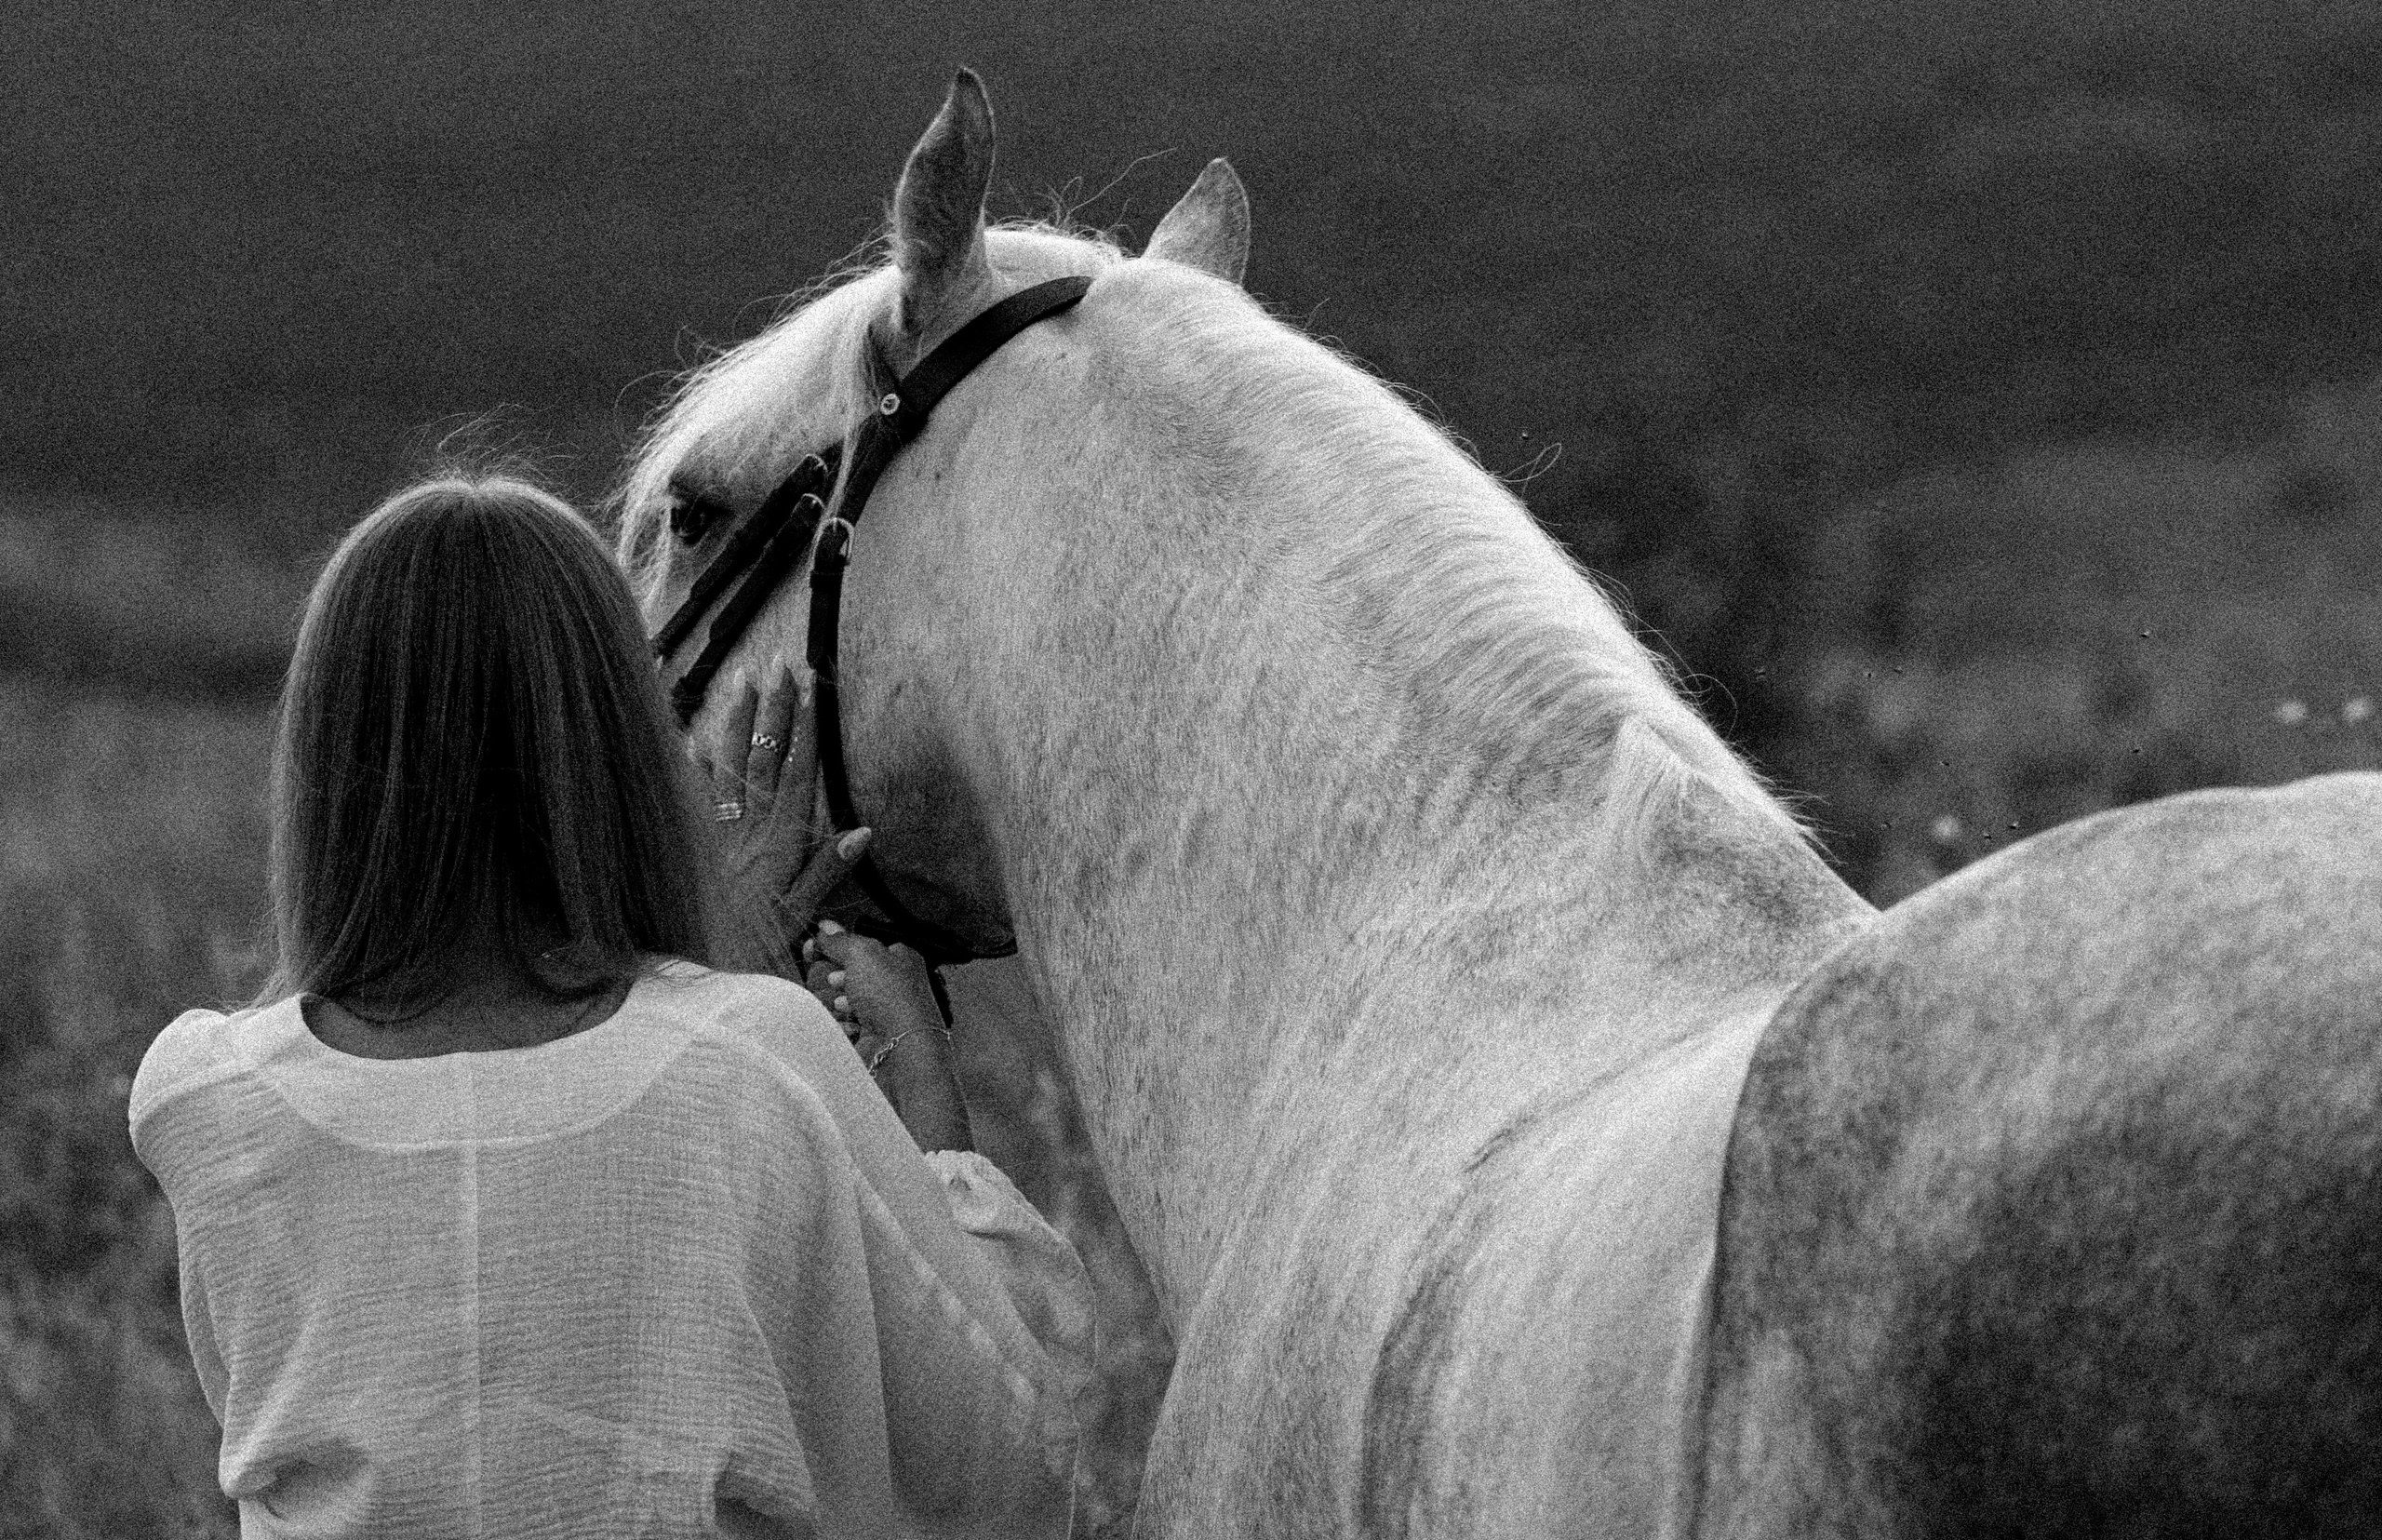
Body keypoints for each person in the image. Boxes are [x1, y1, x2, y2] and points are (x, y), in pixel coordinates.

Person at [128, 475, 1092, 1539]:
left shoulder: (209, 1102)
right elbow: (1022, 1470)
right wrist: (929, 1125)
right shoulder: (761, 1060)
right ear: (611, 743)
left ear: (323, 757)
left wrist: (705, 983)